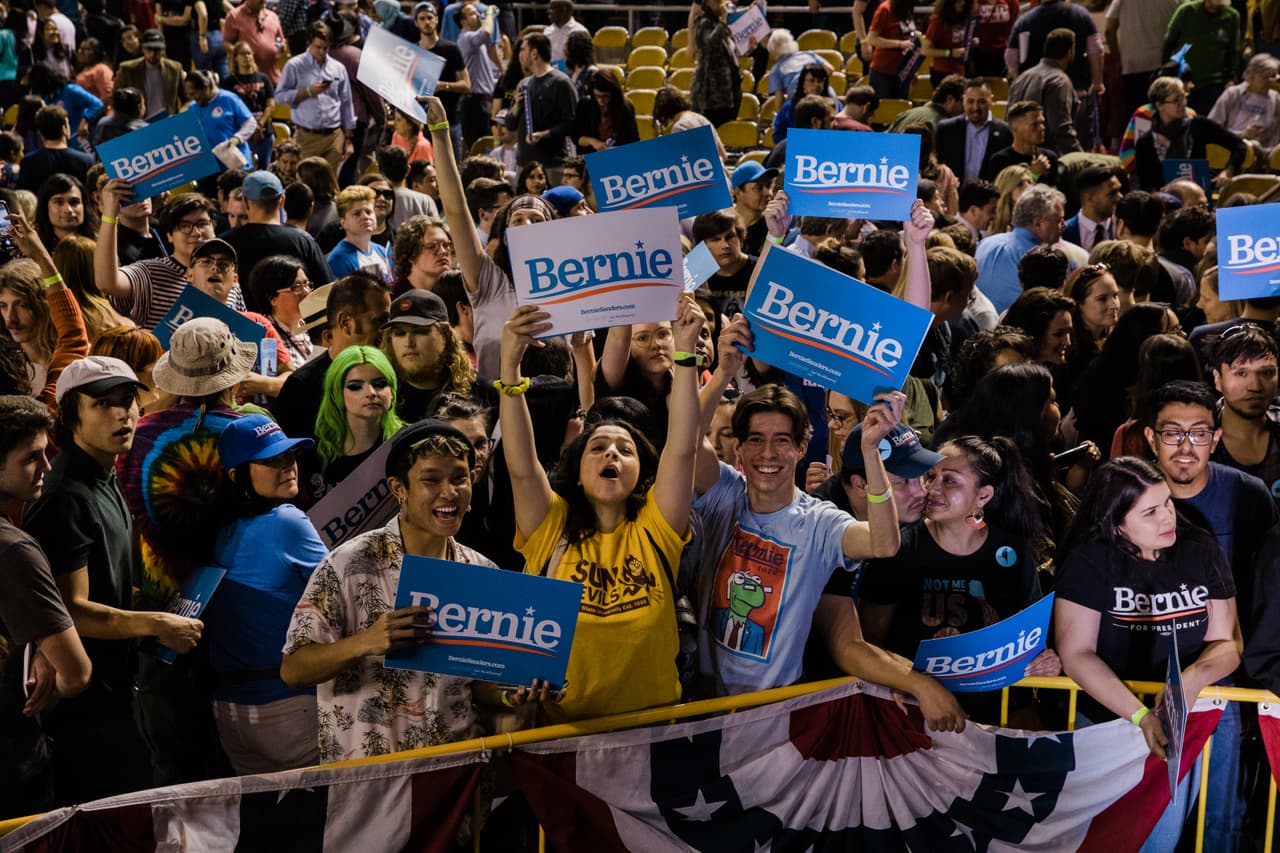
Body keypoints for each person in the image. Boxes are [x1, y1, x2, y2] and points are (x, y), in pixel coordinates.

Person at [496, 292, 701, 720]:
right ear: (576, 466)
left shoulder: (656, 527)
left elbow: (682, 449)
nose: (611, 455)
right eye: (598, 447)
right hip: (566, 742)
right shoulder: (551, 527)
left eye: (625, 449)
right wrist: (509, 369)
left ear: (642, 469)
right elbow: (521, 467)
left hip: (656, 734)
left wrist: (685, 354)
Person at [282, 419, 518, 761]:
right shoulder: (348, 564)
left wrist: (513, 694)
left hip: (453, 776)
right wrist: (366, 642)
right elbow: (293, 669)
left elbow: (480, 686)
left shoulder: (481, 572)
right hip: (370, 782)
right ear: (398, 488)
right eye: (431, 480)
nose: (449, 492)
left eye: (459, 478)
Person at [25, 356, 202, 804]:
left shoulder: (104, 475)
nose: (122, 413)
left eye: (128, 401)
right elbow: (72, 610)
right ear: (70, 415)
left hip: (117, 692)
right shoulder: (65, 495)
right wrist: (157, 624)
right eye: (103, 403)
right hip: (85, 711)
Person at [1054, 457, 1239, 852]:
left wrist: (1190, 680)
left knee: (1162, 839)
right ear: (1116, 521)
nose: (1167, 517)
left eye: (1168, 503)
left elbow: (1228, 642)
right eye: (1151, 511)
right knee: (1105, 839)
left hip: (1180, 720)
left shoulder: (1199, 548)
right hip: (1107, 721)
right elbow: (1077, 653)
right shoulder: (1090, 560)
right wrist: (1139, 716)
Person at [859, 435, 1057, 720]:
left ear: (983, 496)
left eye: (949, 480)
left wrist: (1044, 662)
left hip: (993, 715)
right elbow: (870, 637)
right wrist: (897, 681)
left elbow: (1031, 641)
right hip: (914, 713)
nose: (932, 489)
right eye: (930, 476)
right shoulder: (901, 547)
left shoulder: (1011, 552)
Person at [206, 414, 325, 774]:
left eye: (289, 456)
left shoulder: (220, 529)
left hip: (229, 713)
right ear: (236, 475)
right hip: (286, 708)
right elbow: (346, 589)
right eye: (271, 460)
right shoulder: (286, 522)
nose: (288, 467)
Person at [0, 395, 91, 819]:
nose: (47, 467)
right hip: (14, 767)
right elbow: (76, 672)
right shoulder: (13, 550)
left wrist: (37, 643)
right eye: (31, 458)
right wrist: (54, 661)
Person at [301, 344, 403, 505]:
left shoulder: (409, 446)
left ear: (393, 390)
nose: (370, 393)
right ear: (336, 393)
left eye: (380, 384)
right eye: (355, 386)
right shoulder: (312, 458)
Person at [221, 170, 331, 297]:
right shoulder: (303, 242)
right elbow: (326, 291)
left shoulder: (225, 244)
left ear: (245, 202)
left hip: (236, 317)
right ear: (282, 201)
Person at [1134, 76, 1245, 192]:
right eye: (1176, 100)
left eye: (1184, 97)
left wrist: (1228, 171)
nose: (1183, 103)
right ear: (1159, 105)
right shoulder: (1145, 142)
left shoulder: (1198, 125)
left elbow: (1239, 145)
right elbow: (1146, 185)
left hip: (1200, 196)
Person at [275, 21, 357, 172]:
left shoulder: (338, 68)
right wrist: (308, 92)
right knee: (306, 182)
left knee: (330, 186)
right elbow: (280, 97)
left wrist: (349, 139)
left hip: (334, 137)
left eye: (326, 48)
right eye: (318, 47)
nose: (322, 52)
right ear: (309, 43)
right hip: (306, 137)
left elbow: (346, 103)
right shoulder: (294, 65)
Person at [974, 183, 1067, 313]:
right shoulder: (1038, 260)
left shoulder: (985, 242)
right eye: (1059, 220)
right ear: (1038, 223)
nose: (1064, 225)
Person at [506, 32, 576, 172]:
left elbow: (570, 123)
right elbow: (510, 124)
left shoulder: (561, 83)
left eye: (523, 49)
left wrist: (543, 134)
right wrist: (516, 107)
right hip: (524, 165)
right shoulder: (524, 84)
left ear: (534, 53)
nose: (520, 55)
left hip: (552, 164)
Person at [1007, 27, 1080, 155]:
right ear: (1070, 52)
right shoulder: (1059, 81)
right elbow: (1061, 129)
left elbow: (1008, 119)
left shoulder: (1022, 77)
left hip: (1018, 155)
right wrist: (1080, 158)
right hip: (1046, 160)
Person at [412, 1, 469, 161]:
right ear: (416, 23)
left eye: (430, 18)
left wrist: (443, 86)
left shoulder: (451, 49)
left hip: (449, 120)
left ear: (437, 20)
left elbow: (466, 84)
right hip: (422, 122)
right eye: (422, 19)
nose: (427, 22)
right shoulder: (413, 51)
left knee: (452, 167)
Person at [1163, 0, 1241, 115]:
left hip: (1214, 82)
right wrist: (1166, 69)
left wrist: (1231, 77)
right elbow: (1169, 41)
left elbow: (1233, 50)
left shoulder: (1232, 16)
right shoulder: (1186, 11)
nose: (1215, 9)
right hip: (1183, 79)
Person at [936, 78, 1012, 184]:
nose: (976, 107)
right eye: (970, 101)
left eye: (982, 101)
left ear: (991, 100)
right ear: (963, 100)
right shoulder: (946, 129)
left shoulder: (1005, 131)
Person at [1208, 53, 1280, 161]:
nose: (1270, 81)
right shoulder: (1233, 94)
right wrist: (1242, 134)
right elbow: (1211, 128)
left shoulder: (1276, 99)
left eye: (1273, 77)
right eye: (1265, 77)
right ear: (1251, 76)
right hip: (1231, 148)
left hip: (1264, 154)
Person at [184, 70, 255, 177]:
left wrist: (237, 138)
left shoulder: (228, 99)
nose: (191, 98)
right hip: (208, 168)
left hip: (234, 166)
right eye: (188, 95)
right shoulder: (193, 107)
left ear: (205, 87)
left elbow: (250, 123)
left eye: (193, 93)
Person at [223, 42, 277, 172]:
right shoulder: (228, 82)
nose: (247, 57)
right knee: (243, 171)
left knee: (264, 170)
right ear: (235, 57)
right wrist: (248, 129)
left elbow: (270, 105)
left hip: (264, 131)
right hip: (240, 133)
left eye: (249, 53)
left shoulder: (263, 78)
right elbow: (227, 110)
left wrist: (259, 125)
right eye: (242, 54)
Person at [456, 2, 501, 149]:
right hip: (474, 103)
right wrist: (489, 14)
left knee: (487, 143)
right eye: (472, 14)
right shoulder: (467, 38)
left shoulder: (473, 40)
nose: (477, 16)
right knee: (480, 145)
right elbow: (486, 31)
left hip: (481, 100)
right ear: (463, 21)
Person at [982, 101, 1061, 185]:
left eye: (1042, 123)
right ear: (1015, 128)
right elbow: (1005, 194)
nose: (1042, 128)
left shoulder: (1049, 158)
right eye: (1034, 124)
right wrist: (1034, 175)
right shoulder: (1000, 161)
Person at [689, 0, 741, 127]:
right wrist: (724, 21)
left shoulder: (719, 24)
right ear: (709, 3)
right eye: (718, 2)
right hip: (712, 95)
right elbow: (711, 45)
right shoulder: (703, 23)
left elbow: (731, 51)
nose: (722, 5)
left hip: (728, 90)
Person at [18, 105, 93, 192]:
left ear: (41, 132)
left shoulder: (27, 162)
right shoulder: (86, 161)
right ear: (64, 128)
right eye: (68, 123)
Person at [327, 185, 393, 283]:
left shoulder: (382, 251)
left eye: (368, 212)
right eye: (357, 214)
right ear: (343, 222)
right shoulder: (338, 259)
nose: (365, 217)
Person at [113, 28, 185, 119]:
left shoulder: (175, 68)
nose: (152, 54)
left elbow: (186, 98)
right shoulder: (128, 69)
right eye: (149, 49)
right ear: (143, 49)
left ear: (163, 49)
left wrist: (180, 116)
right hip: (140, 123)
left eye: (157, 50)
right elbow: (116, 98)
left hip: (168, 120)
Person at [573, 67, 638, 153]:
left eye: (605, 96)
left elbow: (634, 140)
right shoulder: (585, 105)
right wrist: (593, 142)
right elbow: (576, 137)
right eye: (597, 96)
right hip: (590, 158)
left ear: (614, 94)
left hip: (619, 156)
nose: (601, 101)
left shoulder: (626, 108)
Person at [222, 0, 285, 84]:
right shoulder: (234, 16)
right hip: (246, 82)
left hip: (272, 78)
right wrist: (243, 54)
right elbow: (226, 44)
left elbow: (280, 39)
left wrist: (279, 47)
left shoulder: (273, 16)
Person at [865, 0, 918, 99]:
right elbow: (872, 39)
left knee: (900, 107)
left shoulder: (907, 8)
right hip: (883, 71)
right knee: (883, 109)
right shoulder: (885, 9)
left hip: (902, 72)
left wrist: (911, 70)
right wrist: (899, 44)